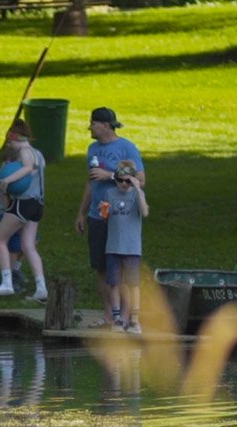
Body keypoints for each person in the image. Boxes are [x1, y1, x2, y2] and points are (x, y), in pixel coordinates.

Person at [74, 107, 145, 327]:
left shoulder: (126, 148)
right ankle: (109, 315)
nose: (89, 127)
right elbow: (91, 181)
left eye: (93, 123)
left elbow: (140, 180)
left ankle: (125, 316)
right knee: (101, 267)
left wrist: (111, 175)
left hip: (120, 219)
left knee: (121, 267)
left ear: (105, 125)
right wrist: (81, 213)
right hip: (98, 216)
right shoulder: (92, 149)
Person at [0, 120, 48, 302]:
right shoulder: (39, 154)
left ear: (16, 138)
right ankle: (41, 288)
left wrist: (6, 181)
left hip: (23, 203)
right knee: (28, 246)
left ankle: (7, 283)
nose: (10, 145)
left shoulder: (26, 152)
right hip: (37, 205)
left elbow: (27, 168)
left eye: (10, 142)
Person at [103, 161, 149, 333]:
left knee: (133, 284)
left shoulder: (137, 195)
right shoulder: (110, 193)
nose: (123, 184)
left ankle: (134, 320)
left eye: (127, 181)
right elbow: (106, 217)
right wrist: (104, 212)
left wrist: (138, 189)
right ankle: (117, 318)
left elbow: (144, 213)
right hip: (113, 246)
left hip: (132, 247)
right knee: (114, 282)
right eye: (120, 180)